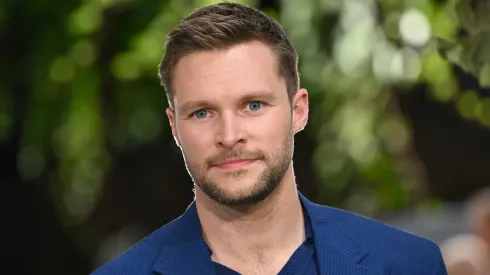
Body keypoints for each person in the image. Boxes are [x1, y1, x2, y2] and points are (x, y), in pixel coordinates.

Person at [92, 2, 447, 274]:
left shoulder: (409, 264)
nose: (229, 136)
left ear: (299, 111)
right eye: (202, 113)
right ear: (174, 126)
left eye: (253, 105)